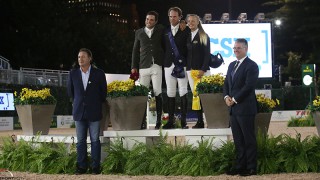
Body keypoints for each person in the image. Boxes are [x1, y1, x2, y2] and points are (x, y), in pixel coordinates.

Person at [67, 48, 107, 175]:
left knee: (95, 140)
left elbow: (103, 93)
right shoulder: (73, 73)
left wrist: (93, 102)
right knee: (80, 141)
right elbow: (70, 92)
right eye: (79, 57)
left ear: (90, 58)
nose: (80, 59)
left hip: (94, 111)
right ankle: (81, 167)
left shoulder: (99, 73)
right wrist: (78, 102)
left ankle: (95, 167)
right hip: (79, 112)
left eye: (83, 57)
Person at [223, 38, 259, 176]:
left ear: (246, 49)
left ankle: (251, 168)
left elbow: (249, 86)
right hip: (233, 109)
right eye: (234, 48)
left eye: (238, 48)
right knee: (238, 140)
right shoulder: (232, 65)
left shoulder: (252, 66)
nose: (235, 50)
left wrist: (235, 99)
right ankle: (240, 166)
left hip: (245, 108)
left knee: (248, 139)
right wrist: (226, 97)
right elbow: (226, 83)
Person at [131, 11, 164, 129]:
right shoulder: (139, 32)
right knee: (142, 94)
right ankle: (142, 121)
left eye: (151, 20)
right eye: (147, 19)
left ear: (155, 21)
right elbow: (135, 51)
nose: (148, 21)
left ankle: (158, 121)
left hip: (156, 66)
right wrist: (133, 67)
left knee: (157, 92)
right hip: (143, 66)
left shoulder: (160, 30)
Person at [162, 7, 190, 129]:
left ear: (180, 17)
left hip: (181, 64)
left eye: (174, 16)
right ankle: (171, 121)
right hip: (168, 65)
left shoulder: (186, 29)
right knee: (170, 92)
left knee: (183, 91)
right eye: (170, 16)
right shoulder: (165, 30)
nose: (172, 18)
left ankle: (184, 121)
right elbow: (163, 47)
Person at [186, 14, 211, 128]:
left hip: (202, 71)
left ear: (198, 22)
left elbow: (207, 55)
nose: (190, 23)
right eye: (189, 21)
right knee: (196, 96)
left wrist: (203, 69)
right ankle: (199, 121)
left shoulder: (203, 35)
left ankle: (210, 120)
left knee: (205, 97)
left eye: (193, 21)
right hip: (190, 71)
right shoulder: (187, 36)